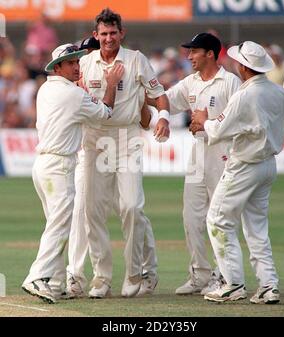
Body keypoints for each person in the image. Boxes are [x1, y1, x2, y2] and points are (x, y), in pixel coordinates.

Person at [192, 41, 284, 303]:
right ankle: (269, 286)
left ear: (243, 67)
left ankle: (232, 284)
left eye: (238, 62)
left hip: (244, 165)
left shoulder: (244, 95)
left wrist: (203, 119)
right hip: (268, 165)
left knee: (217, 219)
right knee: (256, 226)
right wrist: (267, 134)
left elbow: (216, 131)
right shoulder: (279, 92)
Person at [21, 43, 124, 304]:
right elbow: (105, 113)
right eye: (70, 63)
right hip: (59, 167)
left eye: (78, 61)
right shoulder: (73, 95)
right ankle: (37, 276)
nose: (77, 66)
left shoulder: (46, 88)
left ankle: (55, 283)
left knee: (57, 224)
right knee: (59, 225)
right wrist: (111, 84)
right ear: (57, 68)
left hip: (42, 166)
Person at [80, 8, 170, 299]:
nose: (108, 38)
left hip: (127, 136)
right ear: (96, 35)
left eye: (113, 33)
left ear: (122, 33)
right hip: (95, 139)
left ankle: (134, 273)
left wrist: (164, 117)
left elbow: (159, 94)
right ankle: (101, 277)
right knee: (93, 210)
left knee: (131, 206)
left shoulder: (136, 60)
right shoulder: (85, 62)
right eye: (103, 34)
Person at [147, 33, 241, 295]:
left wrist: (209, 122)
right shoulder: (191, 82)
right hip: (198, 152)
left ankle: (224, 276)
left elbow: (239, 119)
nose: (189, 57)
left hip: (223, 152)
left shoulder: (230, 83)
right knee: (191, 216)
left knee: (220, 217)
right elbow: (162, 98)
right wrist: (157, 110)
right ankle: (200, 274)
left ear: (210, 53)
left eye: (194, 52)